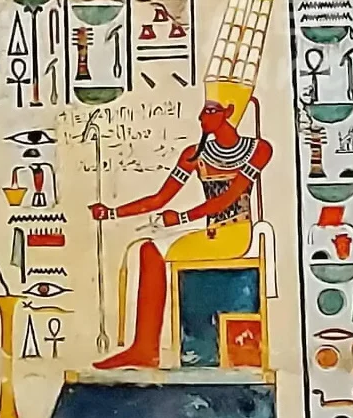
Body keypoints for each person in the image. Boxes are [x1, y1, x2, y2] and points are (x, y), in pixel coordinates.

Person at [89, 99, 272, 369]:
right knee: (147, 248)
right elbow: (160, 199)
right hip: (213, 232)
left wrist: (182, 217)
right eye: (202, 111)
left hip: (235, 235)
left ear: (228, 112)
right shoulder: (193, 154)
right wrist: (111, 212)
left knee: (151, 251)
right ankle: (144, 348)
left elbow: (229, 197)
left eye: (210, 111)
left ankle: (145, 349)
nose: (202, 118)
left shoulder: (258, 149)